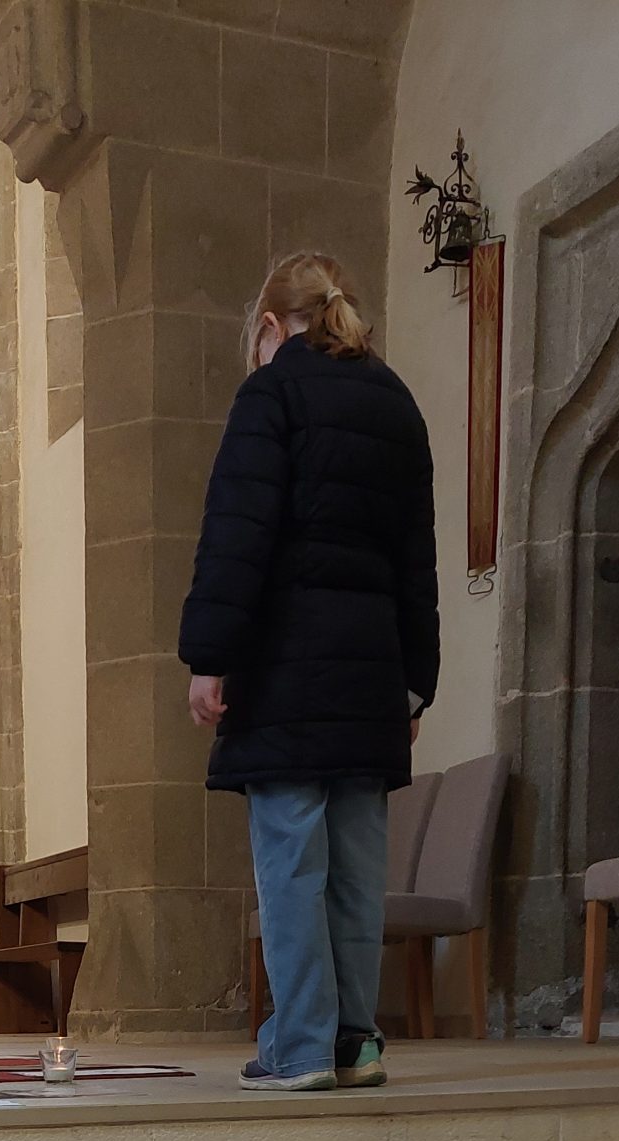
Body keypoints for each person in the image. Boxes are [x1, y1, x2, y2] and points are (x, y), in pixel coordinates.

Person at [179, 251, 439, 1093]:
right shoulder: (396, 401)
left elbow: (238, 534)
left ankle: (298, 1048)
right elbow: (418, 561)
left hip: (287, 674)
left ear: (269, 325)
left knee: (292, 864)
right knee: (359, 871)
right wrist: (416, 686)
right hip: (371, 677)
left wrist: (210, 656)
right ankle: (355, 1042)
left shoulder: (272, 393)